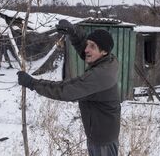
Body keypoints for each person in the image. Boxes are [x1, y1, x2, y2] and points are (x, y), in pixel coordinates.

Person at [17, 19, 121, 156]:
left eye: (92, 46)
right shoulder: (107, 61)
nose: (86, 49)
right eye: (88, 44)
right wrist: (73, 32)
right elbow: (87, 49)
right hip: (101, 135)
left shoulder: (100, 76)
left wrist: (33, 83)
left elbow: (65, 91)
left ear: (104, 52)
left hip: (103, 142)